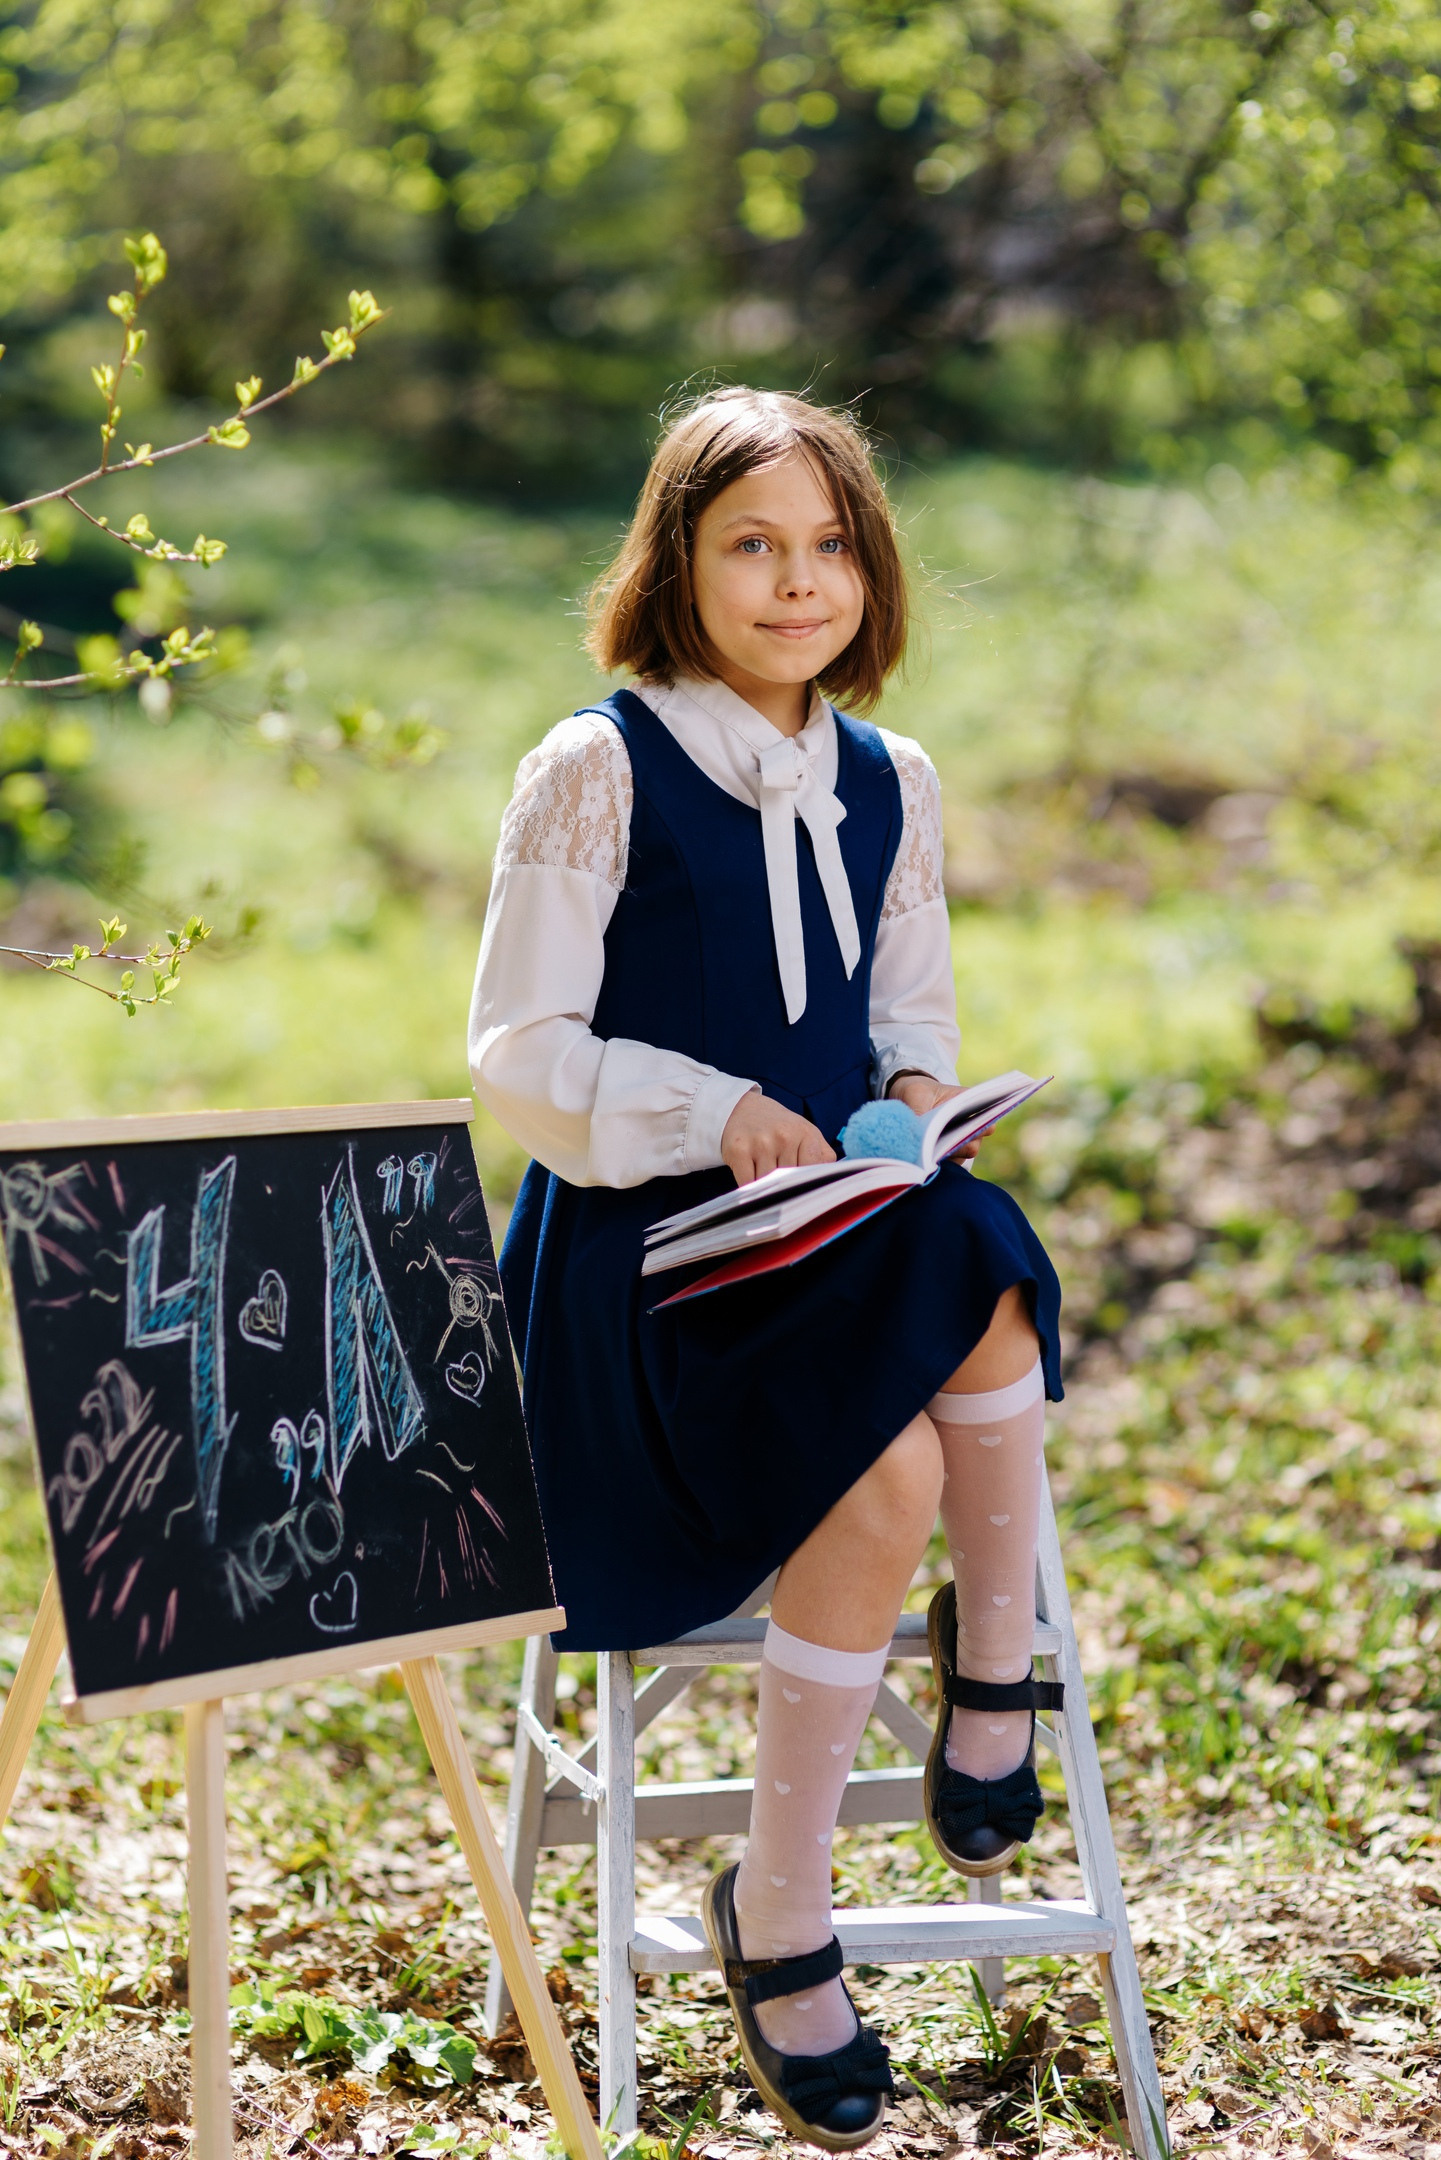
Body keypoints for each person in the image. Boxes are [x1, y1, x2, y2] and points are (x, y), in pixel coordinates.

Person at [469, 387, 1063, 2151]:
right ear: (680, 561)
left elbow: (910, 1026)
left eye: (827, 545)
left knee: (954, 1223)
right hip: (645, 1280)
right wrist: (716, 1105)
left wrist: (907, 1103)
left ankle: (818, 1855)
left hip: (834, 1250)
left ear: (868, 570)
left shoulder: (891, 782)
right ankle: (943, 1725)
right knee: (918, 1389)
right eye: (751, 544)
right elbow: (514, 1053)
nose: (796, 581)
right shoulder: (598, 765)